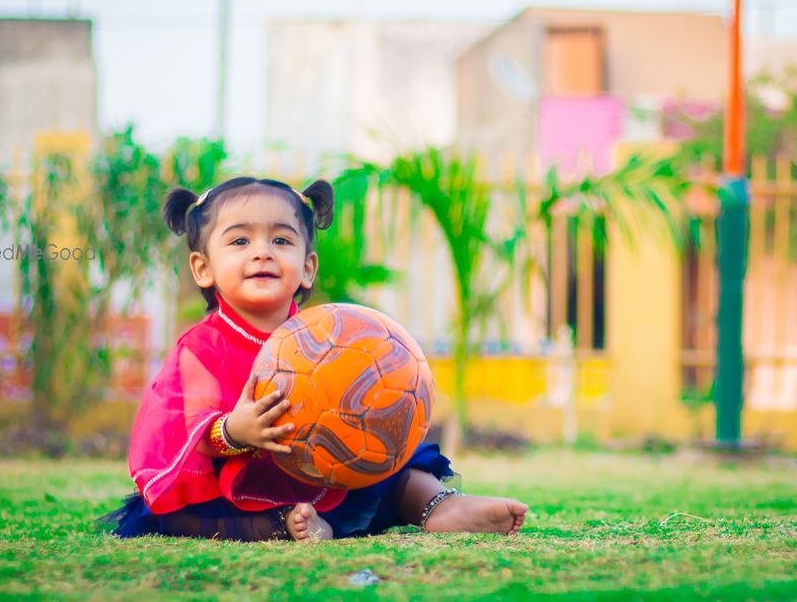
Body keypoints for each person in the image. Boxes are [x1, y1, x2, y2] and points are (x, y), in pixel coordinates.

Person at [102, 177, 528, 542]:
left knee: (394, 465)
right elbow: (190, 427)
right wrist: (234, 431)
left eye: (281, 240)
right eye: (239, 241)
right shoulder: (203, 347)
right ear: (202, 269)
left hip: (325, 470)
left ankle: (438, 506)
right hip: (235, 482)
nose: (262, 252)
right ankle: (284, 524)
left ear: (307, 268)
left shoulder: (328, 337)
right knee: (174, 515)